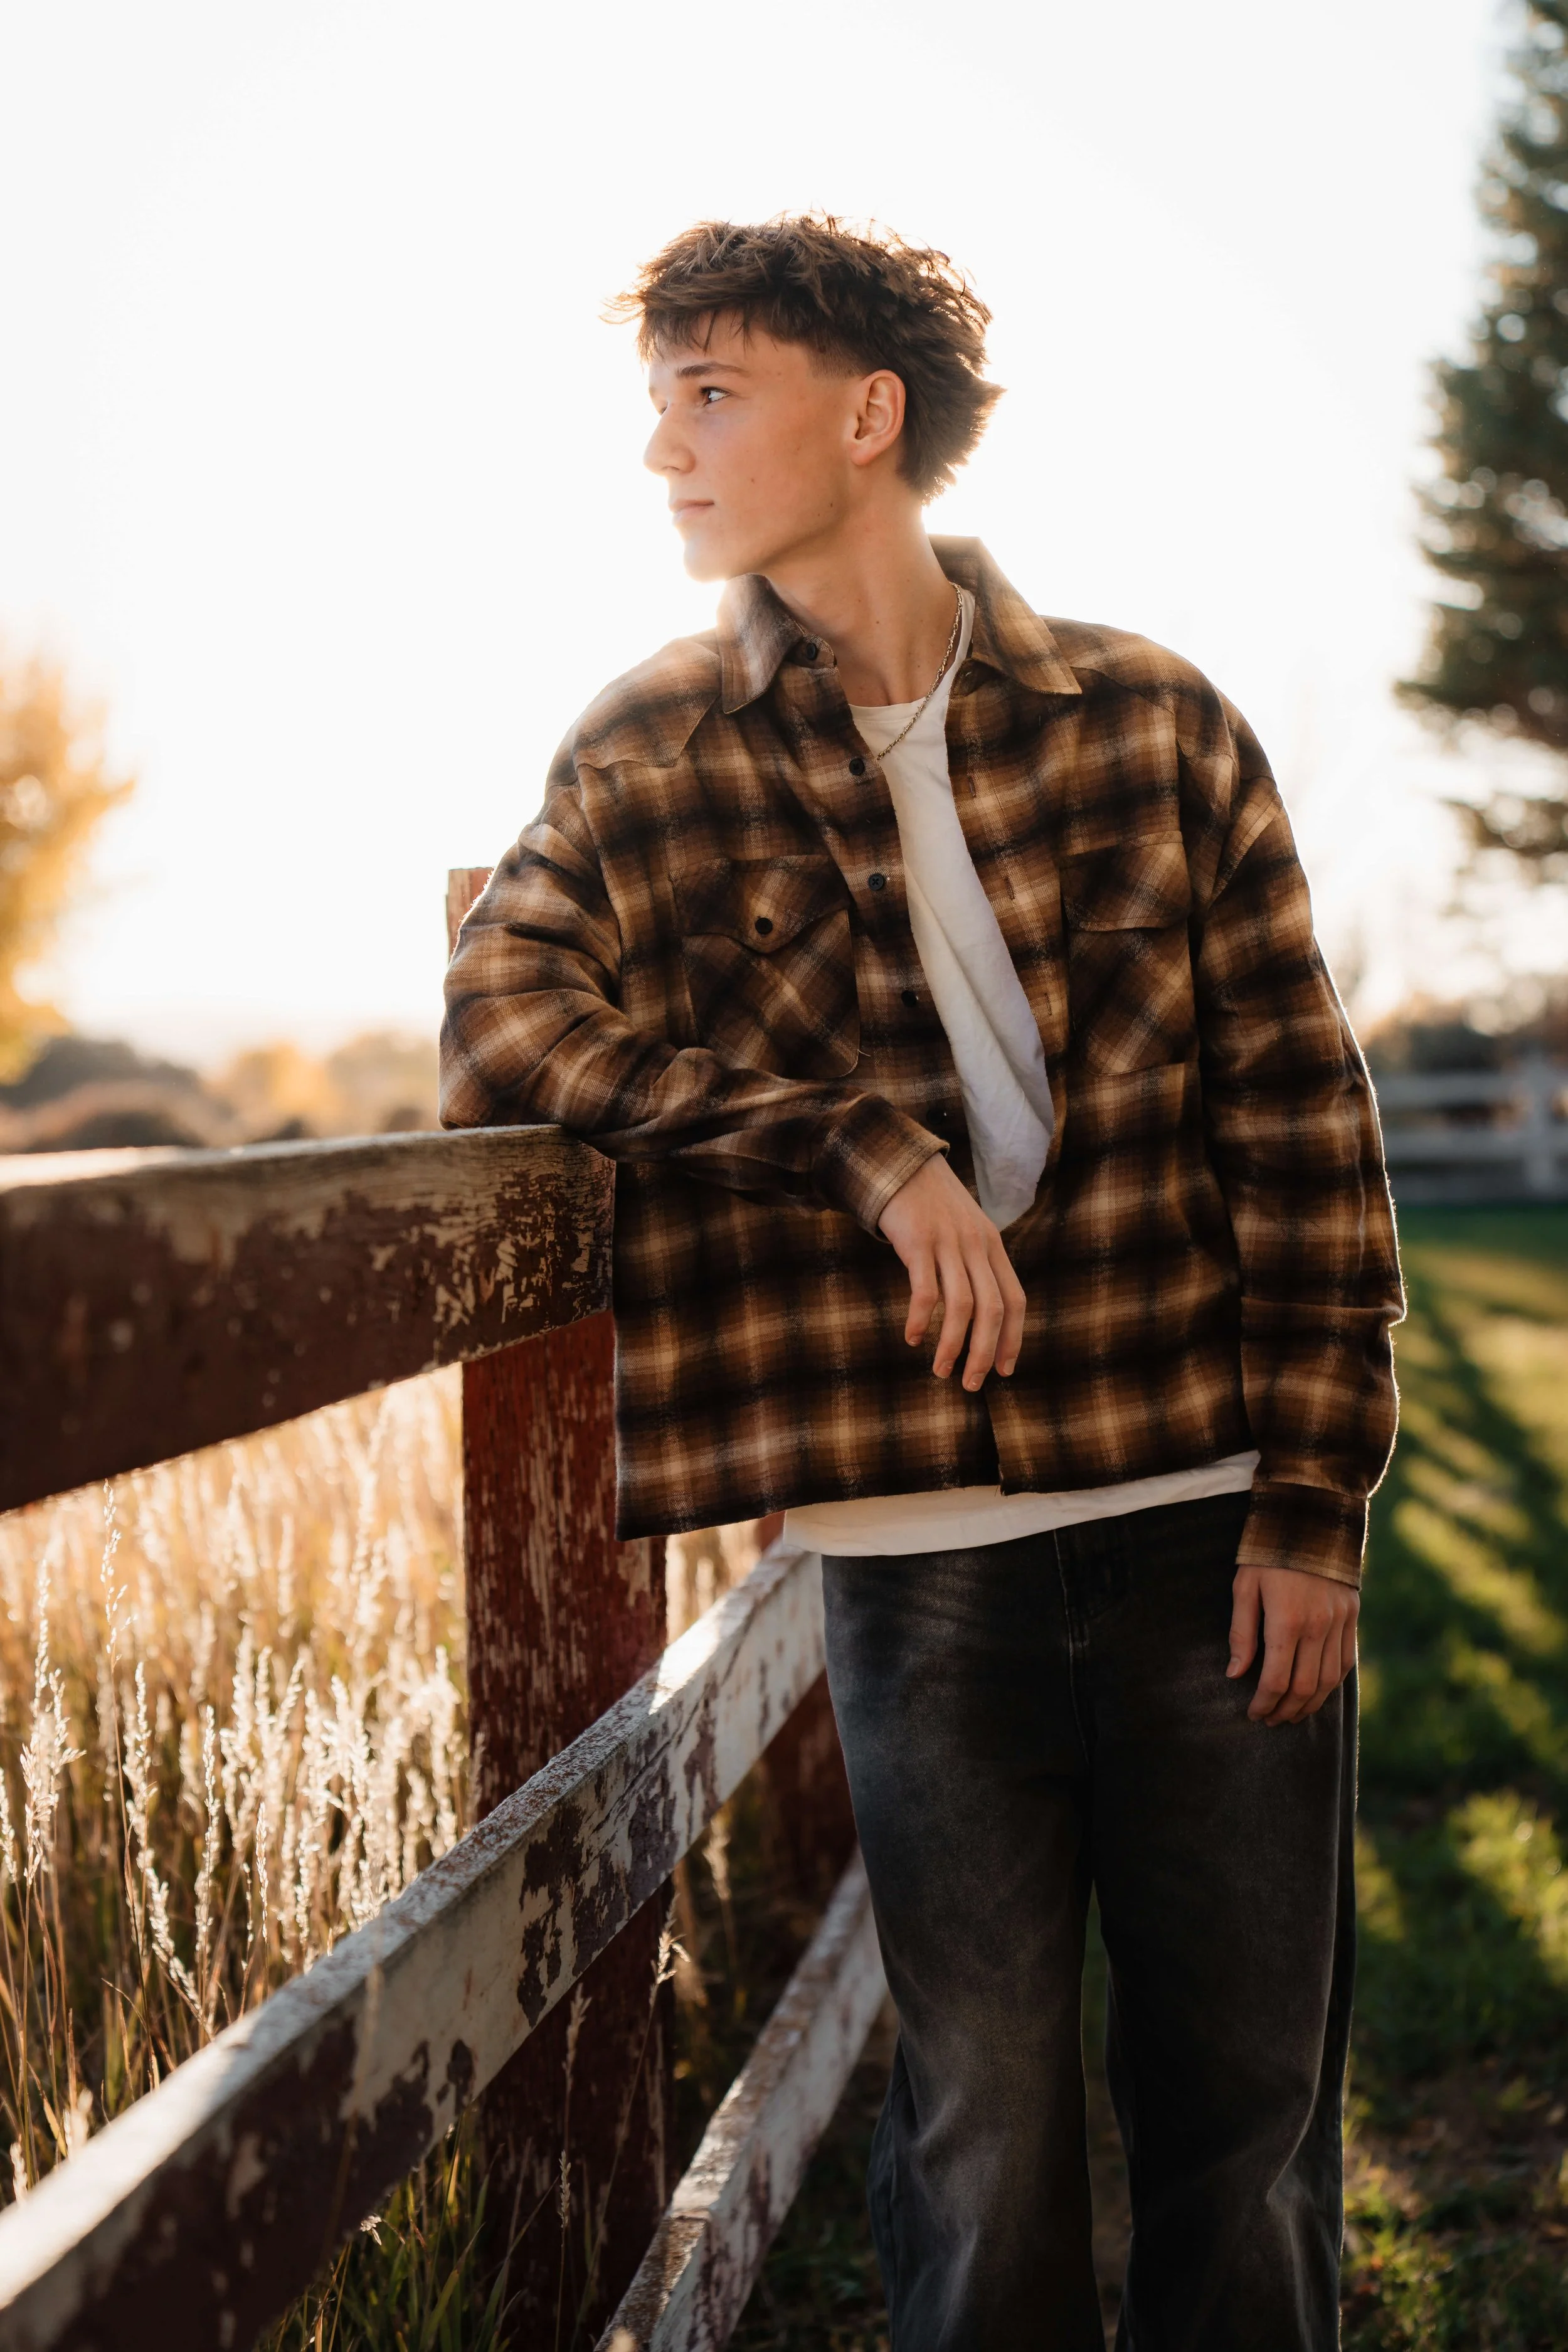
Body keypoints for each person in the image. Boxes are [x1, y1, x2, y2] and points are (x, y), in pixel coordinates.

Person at [440, 215, 1404, 2352]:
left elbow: (1302, 1125)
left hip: (1200, 1515)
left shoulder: (1154, 721)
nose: (664, 453)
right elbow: (503, 1019)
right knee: (980, 2126)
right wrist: (850, 1146)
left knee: (1243, 2120)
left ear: (864, 418)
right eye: (656, 401)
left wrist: (1312, 1501)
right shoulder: (647, 746)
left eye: (713, 394)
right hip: (917, 1556)